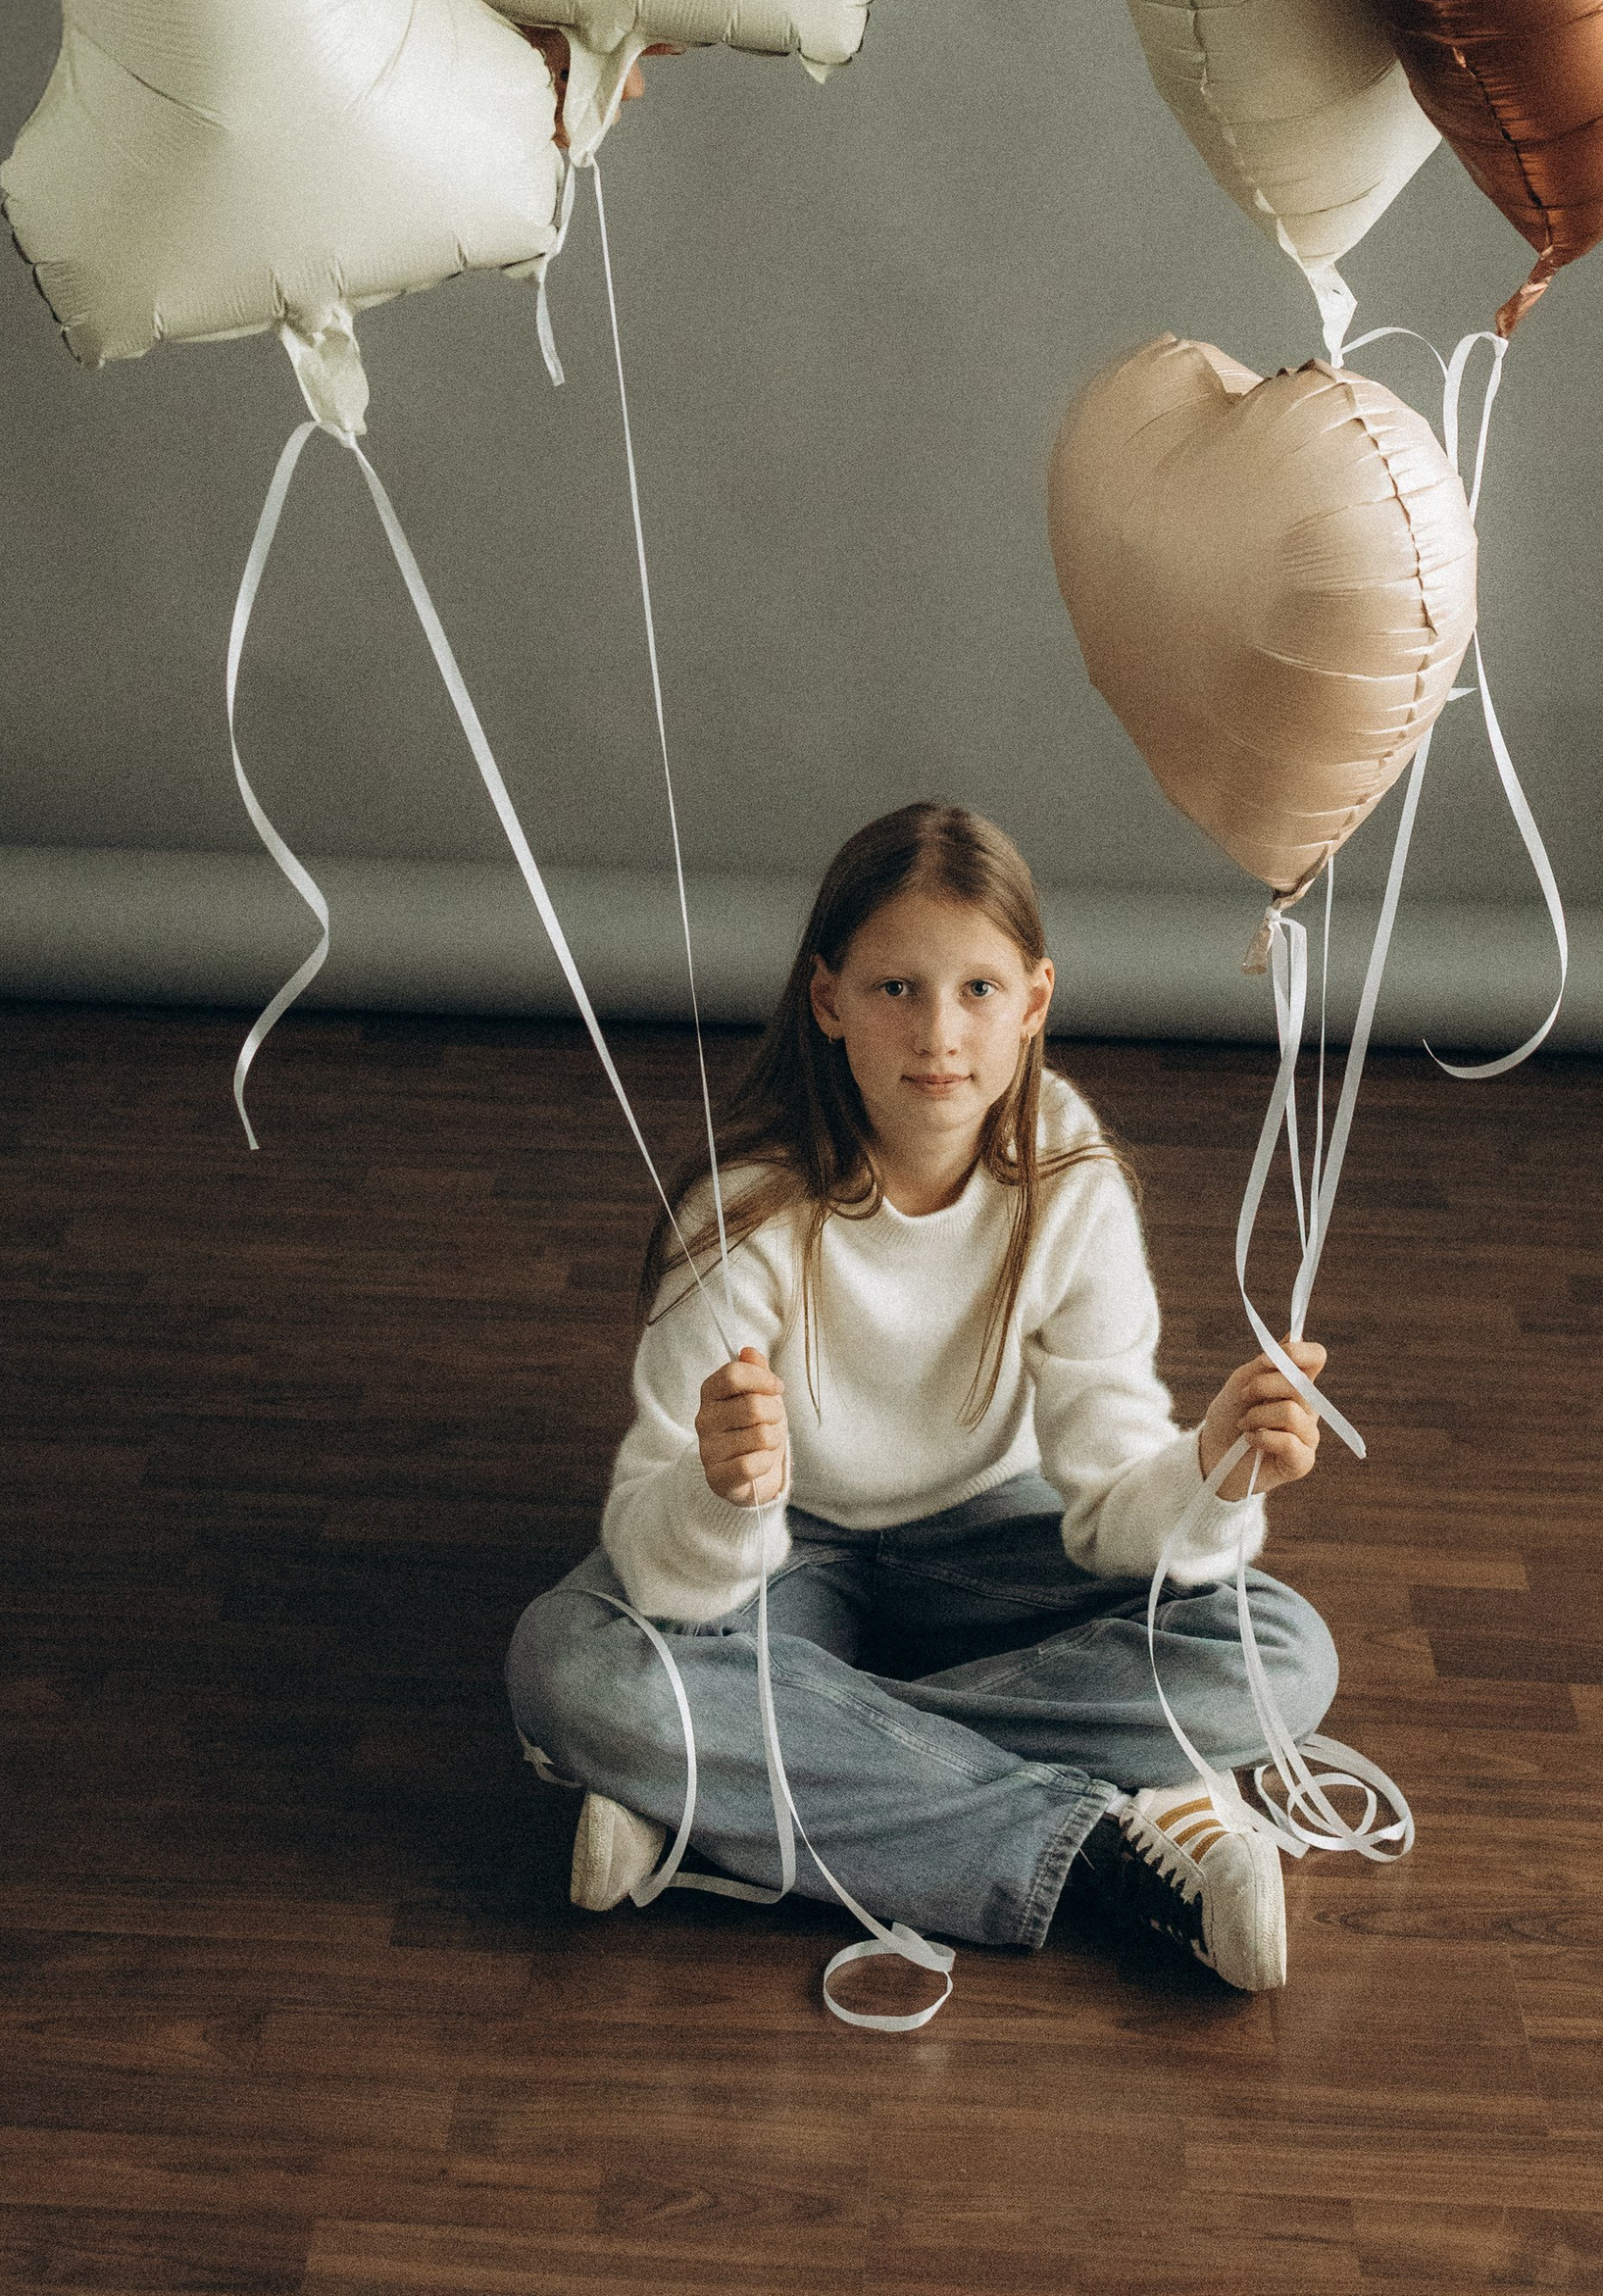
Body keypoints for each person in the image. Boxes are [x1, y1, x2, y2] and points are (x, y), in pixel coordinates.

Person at [506, 800, 1340, 1993]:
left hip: (987, 1540)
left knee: (1277, 1649)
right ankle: (1096, 1847)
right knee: (570, 1660)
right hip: (781, 1562)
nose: (940, 1034)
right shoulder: (741, 1213)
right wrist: (718, 1489)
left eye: (979, 991)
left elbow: (1107, 1508)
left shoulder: (1072, 1180)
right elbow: (665, 1570)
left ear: (1035, 1002)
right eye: (896, 988)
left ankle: (721, 1785)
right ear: (827, 1001)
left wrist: (1209, 1473)